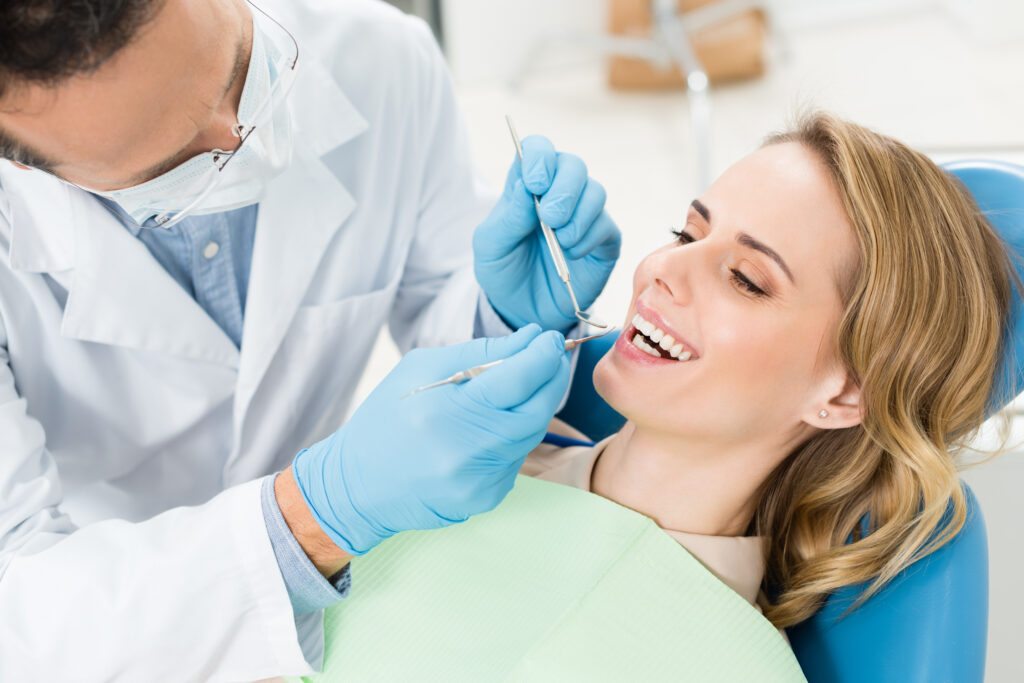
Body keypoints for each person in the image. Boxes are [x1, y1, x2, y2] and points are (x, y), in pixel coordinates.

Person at [0, 0, 621, 679]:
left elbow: (437, 294)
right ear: (24, 161)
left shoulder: (380, 57)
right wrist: (311, 517)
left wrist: (500, 314)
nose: (244, 138)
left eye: (240, 69)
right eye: (177, 161)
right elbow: (21, 620)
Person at [302, 111, 1016, 677]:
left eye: (746, 279)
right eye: (686, 232)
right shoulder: (436, 461)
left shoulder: (733, 664)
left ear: (845, 392)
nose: (661, 270)